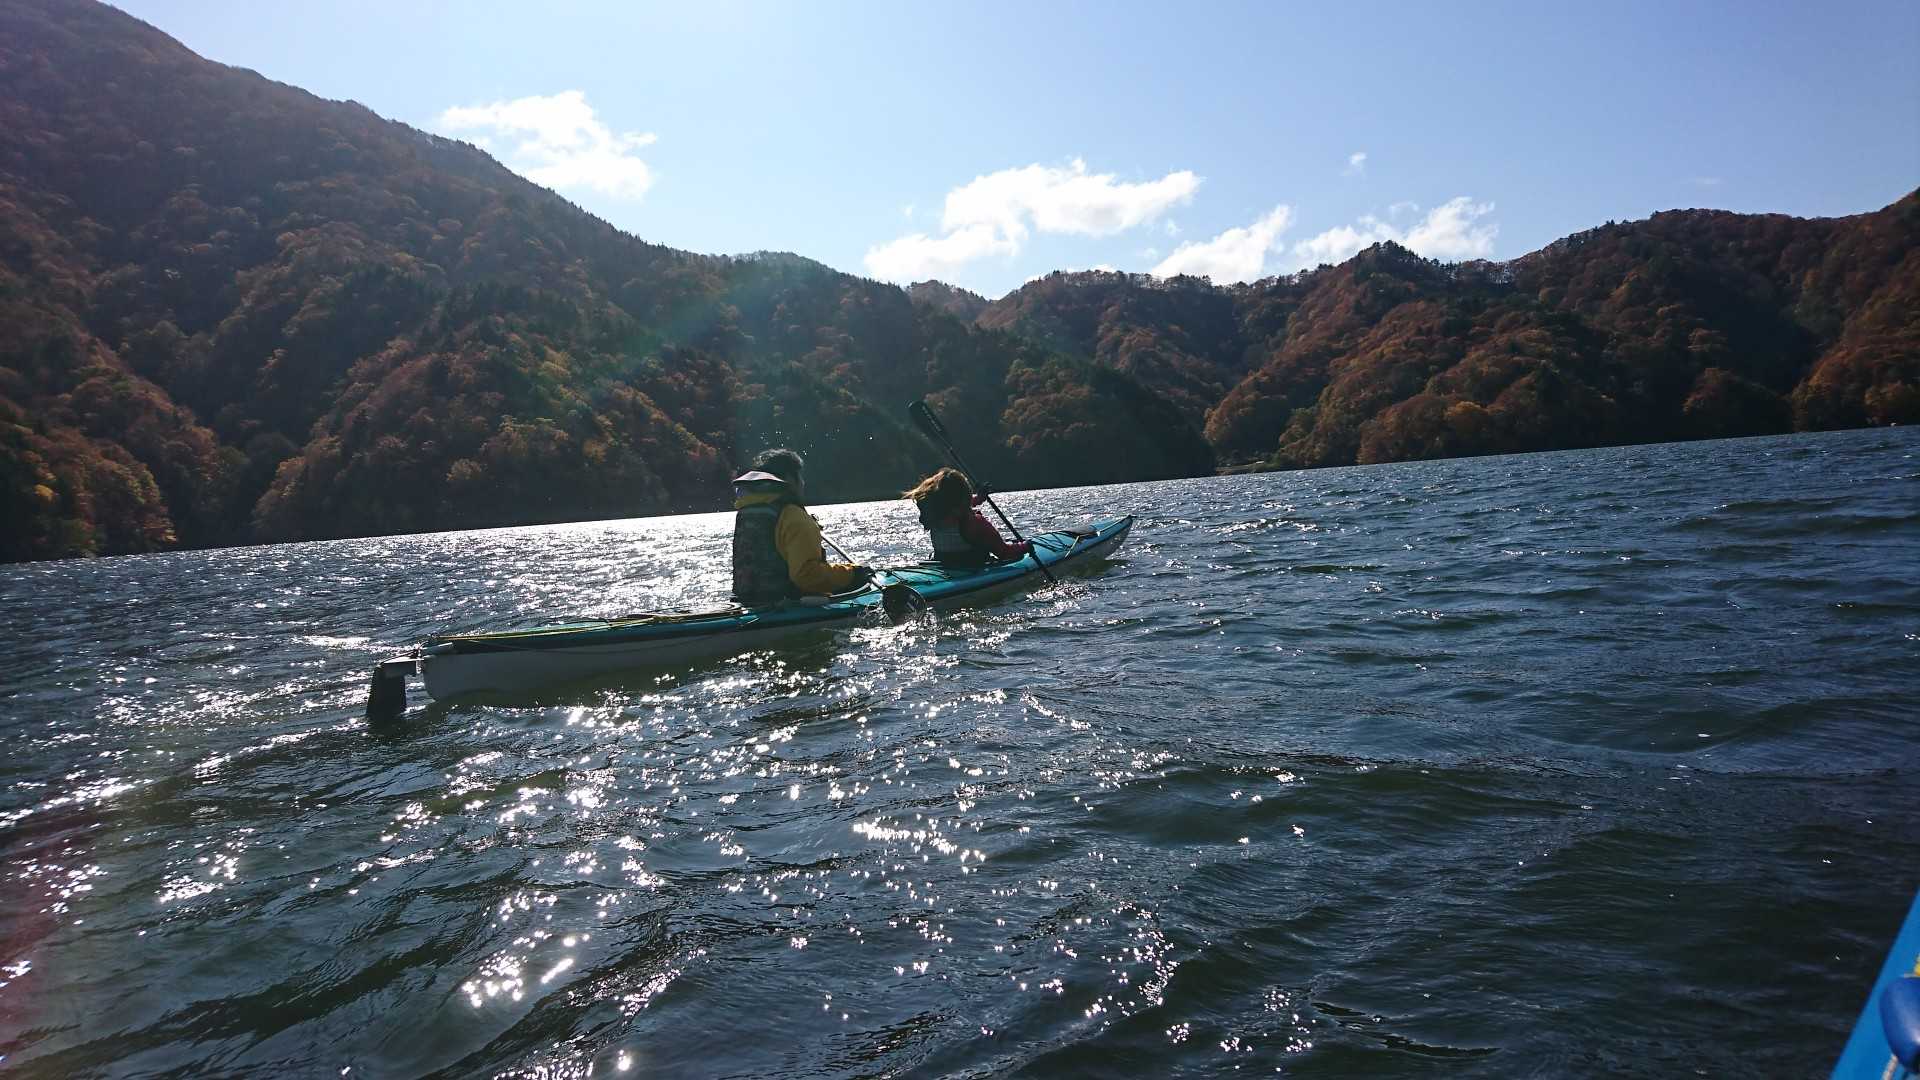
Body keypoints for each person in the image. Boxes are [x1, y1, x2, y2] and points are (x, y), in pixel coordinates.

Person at [730, 448, 871, 606]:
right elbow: (806, 576)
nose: (803, 483)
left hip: (750, 603)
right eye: (800, 476)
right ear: (790, 479)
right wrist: (853, 573)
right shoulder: (794, 517)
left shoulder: (748, 513)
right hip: (790, 603)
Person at [903, 467, 1031, 568]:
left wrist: (979, 498)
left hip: (945, 566)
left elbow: (952, 506)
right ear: (965, 495)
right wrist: (1026, 546)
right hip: (973, 569)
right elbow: (1004, 553)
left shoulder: (935, 518)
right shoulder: (976, 524)